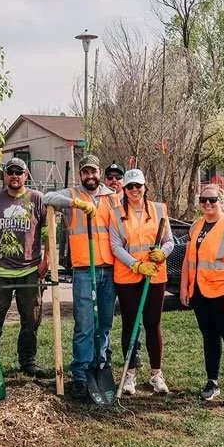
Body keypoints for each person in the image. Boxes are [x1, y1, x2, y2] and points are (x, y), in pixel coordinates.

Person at [43, 155, 118, 399]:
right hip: (85, 269)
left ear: (99, 173)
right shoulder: (72, 194)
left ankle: (101, 365)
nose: (90, 176)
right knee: (85, 324)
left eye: (93, 171)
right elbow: (47, 198)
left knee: (104, 323)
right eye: (85, 172)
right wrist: (76, 204)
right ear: (81, 174)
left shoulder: (111, 196)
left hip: (108, 268)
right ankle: (81, 373)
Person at [0, 158, 51, 378]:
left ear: (26, 175)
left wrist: (47, 260)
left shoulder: (37, 199)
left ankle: (28, 362)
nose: (14, 176)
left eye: (19, 172)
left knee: (31, 320)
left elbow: (48, 231)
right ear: (4, 175)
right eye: (10, 172)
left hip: (30, 270)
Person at [180, 184, 224, 408]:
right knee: (209, 337)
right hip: (201, 291)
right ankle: (212, 382)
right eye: (203, 200)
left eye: (212, 200)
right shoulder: (196, 226)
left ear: (221, 201)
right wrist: (185, 287)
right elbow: (188, 261)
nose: (207, 204)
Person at [109, 168, 174, 395]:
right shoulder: (116, 213)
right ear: (124, 189)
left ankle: (156, 374)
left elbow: (169, 241)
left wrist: (163, 253)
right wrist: (135, 265)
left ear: (145, 187)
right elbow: (115, 246)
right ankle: (130, 375)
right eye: (130, 186)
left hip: (154, 275)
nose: (134, 190)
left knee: (152, 324)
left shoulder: (159, 210)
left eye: (138, 185)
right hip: (128, 276)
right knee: (130, 324)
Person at [103, 162, 143, 370]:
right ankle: (105, 354)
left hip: (130, 268)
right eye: (110, 177)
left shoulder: (134, 202)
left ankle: (134, 352)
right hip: (106, 265)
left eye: (118, 178)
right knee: (105, 315)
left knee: (134, 316)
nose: (114, 181)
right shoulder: (102, 201)